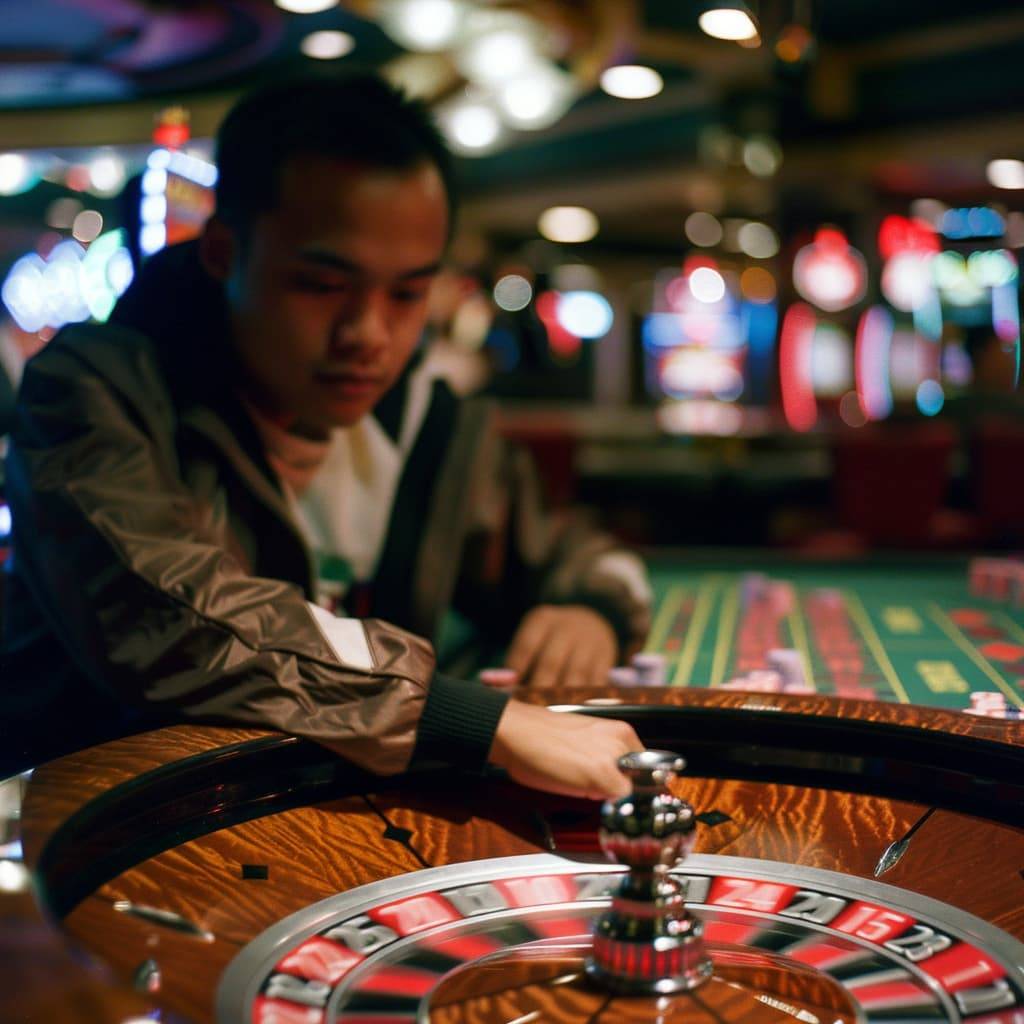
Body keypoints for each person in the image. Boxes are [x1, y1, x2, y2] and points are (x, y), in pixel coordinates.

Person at [0, 73, 650, 795]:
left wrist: (590, 609)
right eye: (321, 285)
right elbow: (167, 620)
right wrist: (462, 716)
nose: (368, 336)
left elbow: (578, 552)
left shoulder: (427, 419)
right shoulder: (93, 390)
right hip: (89, 831)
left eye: (407, 293)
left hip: (316, 842)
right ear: (223, 253)